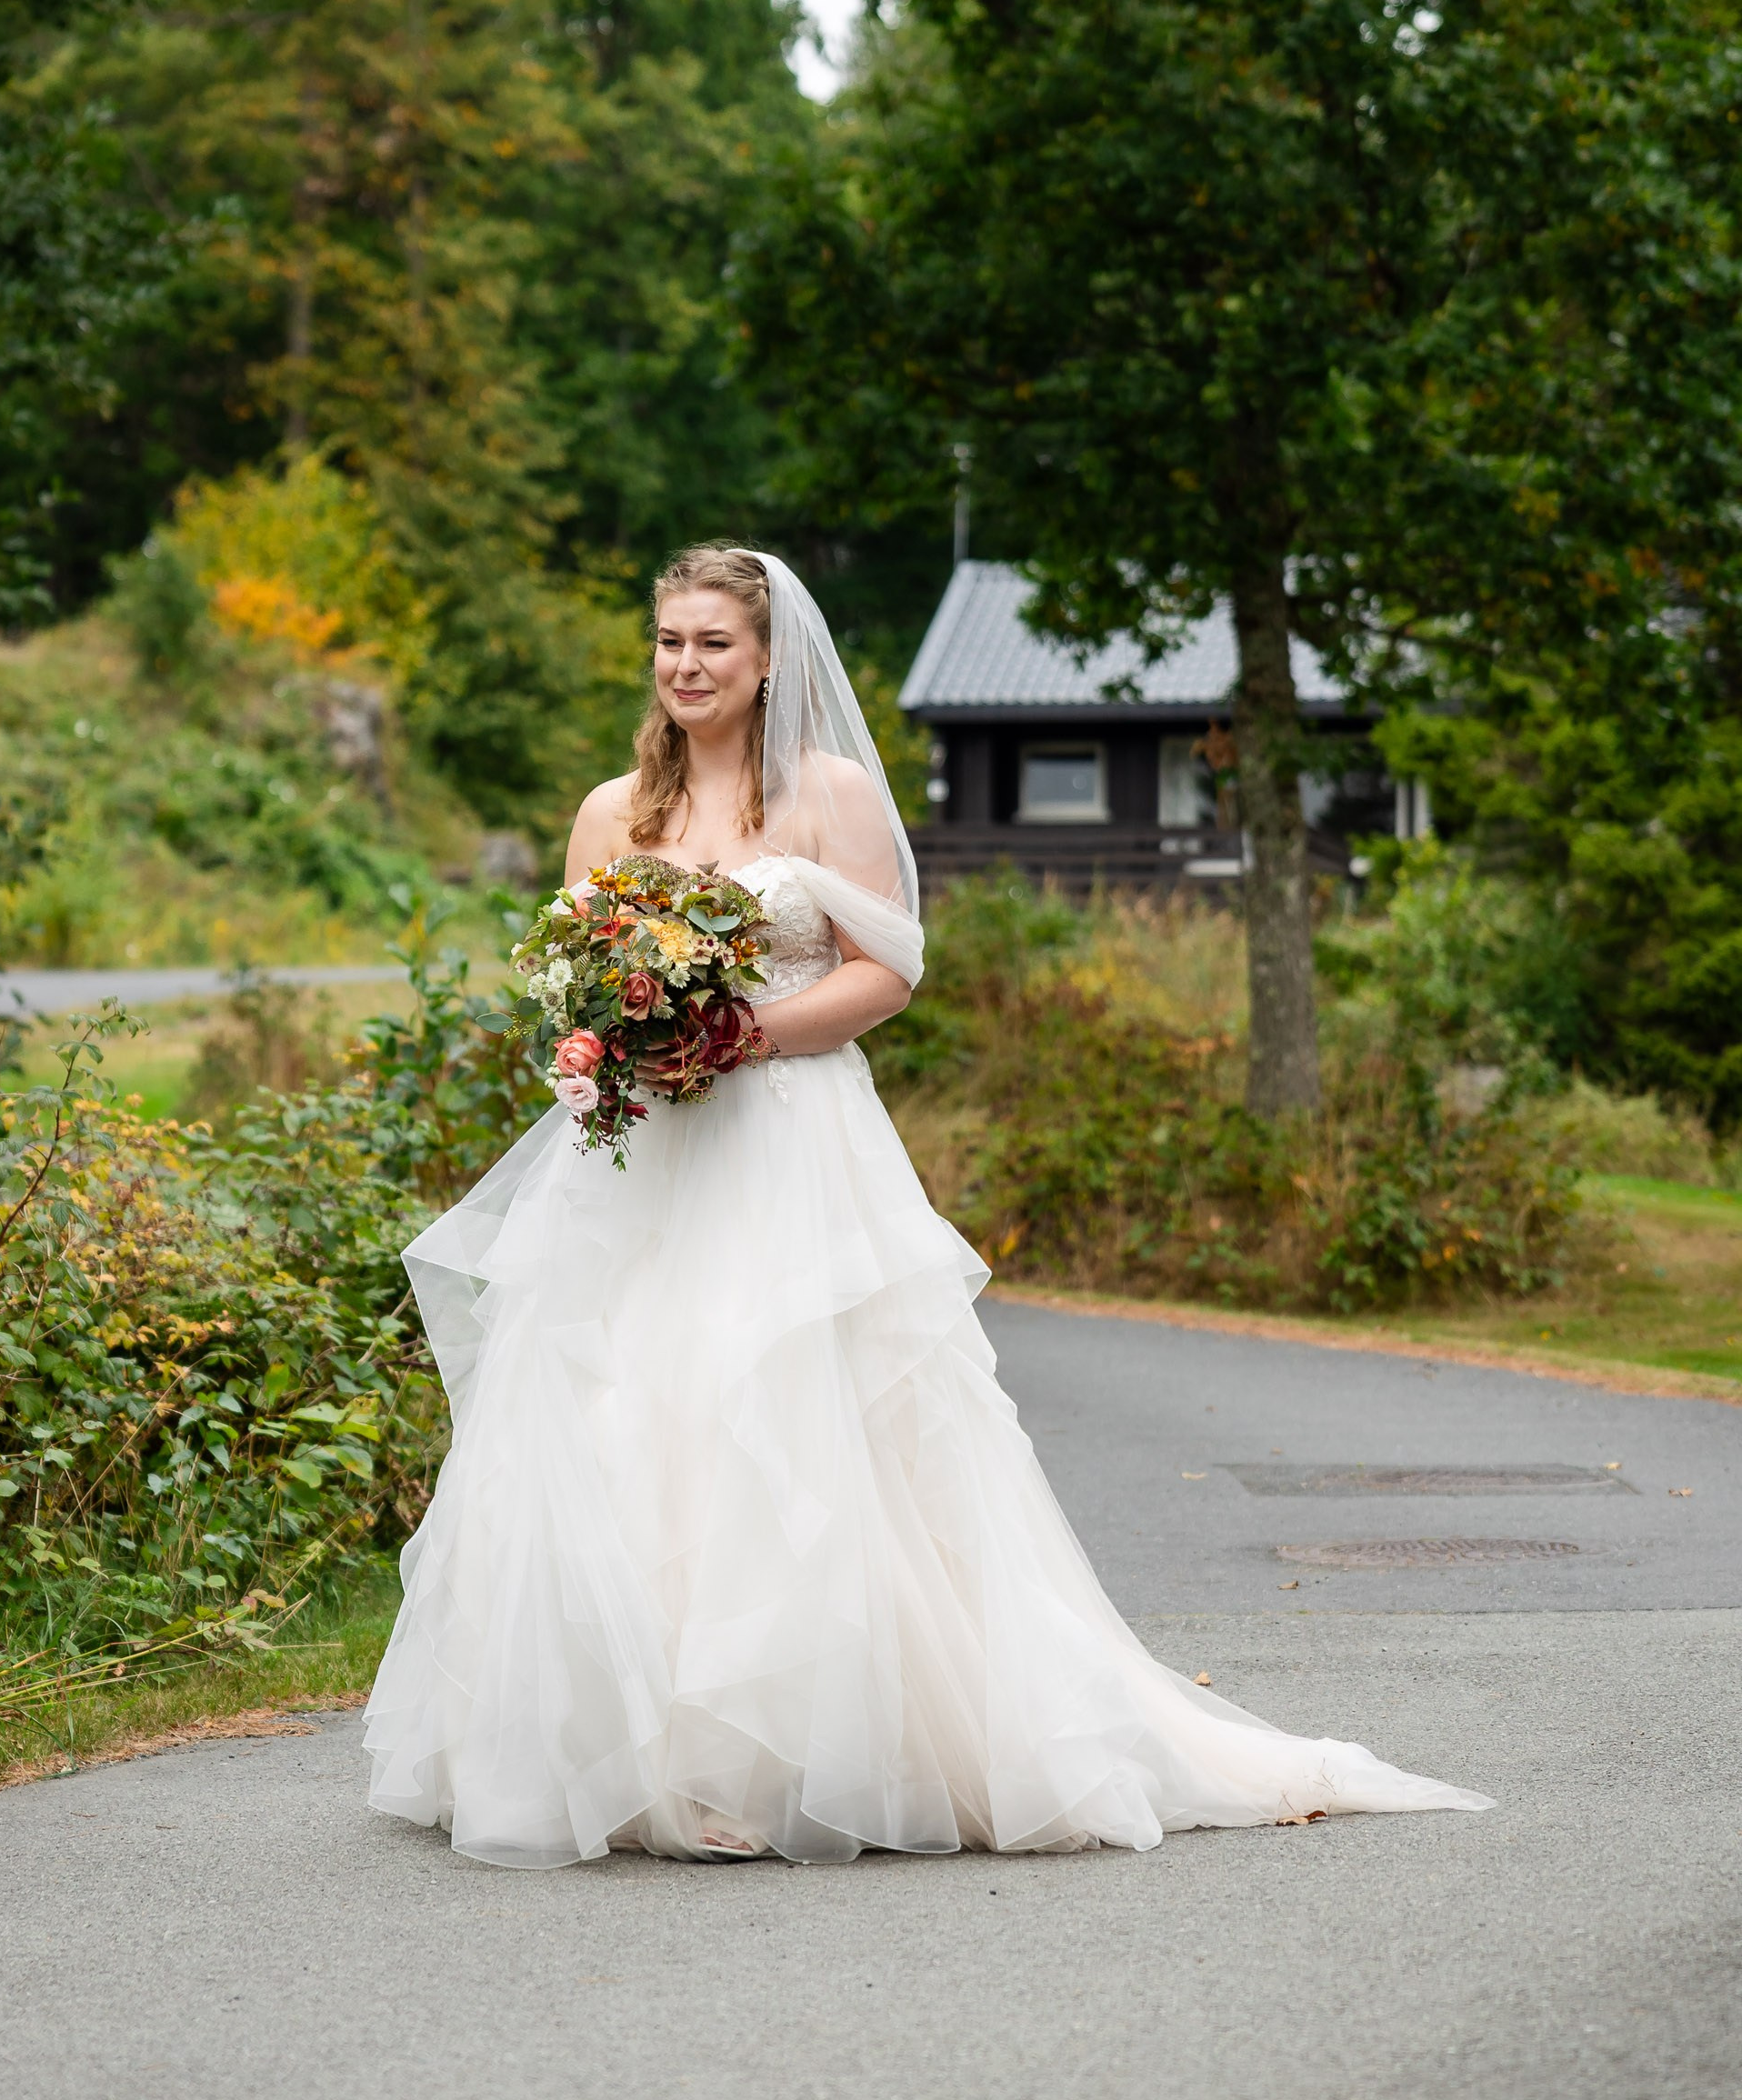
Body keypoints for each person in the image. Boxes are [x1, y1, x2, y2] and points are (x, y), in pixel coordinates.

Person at [363, 545, 1492, 1866]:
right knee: (626, 1413)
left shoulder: (827, 794)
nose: (687, 666)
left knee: (781, 1421)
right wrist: (596, 1045)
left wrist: (749, 1036)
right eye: (669, 641)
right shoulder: (613, 811)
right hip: (640, 1161)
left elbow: (887, 970)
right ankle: (627, 1756)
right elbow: (576, 977)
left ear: (770, 654)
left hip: (787, 1146)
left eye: (714, 643)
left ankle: (786, 1757)